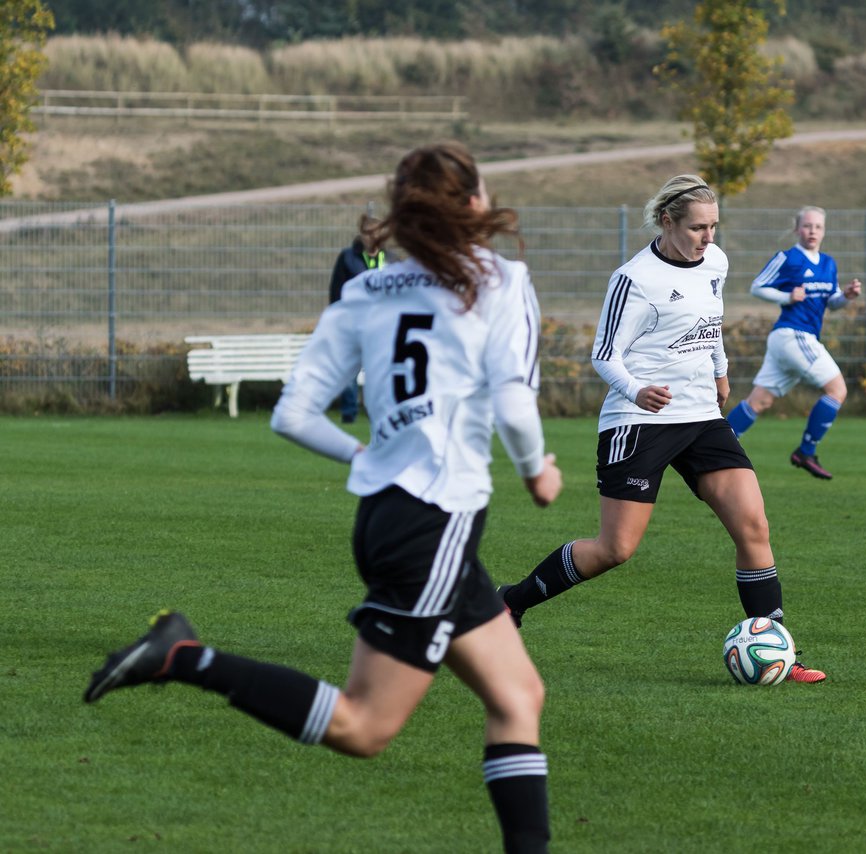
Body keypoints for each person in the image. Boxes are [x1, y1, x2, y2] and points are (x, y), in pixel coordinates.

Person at [85, 143, 564, 854]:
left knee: (518, 696)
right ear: (472, 204)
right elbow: (518, 409)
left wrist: (363, 451)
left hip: (391, 516)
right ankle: (183, 656)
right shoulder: (499, 280)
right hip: (432, 525)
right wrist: (537, 474)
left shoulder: (367, 292)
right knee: (364, 727)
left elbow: (293, 414)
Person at [498, 174, 827, 684]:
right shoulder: (634, 278)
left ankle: (780, 651)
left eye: (714, 226)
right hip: (640, 421)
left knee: (753, 526)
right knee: (615, 550)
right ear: (667, 221)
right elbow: (604, 355)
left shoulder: (715, 262)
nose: (708, 238)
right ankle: (509, 603)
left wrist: (720, 372)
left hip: (700, 417)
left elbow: (710, 324)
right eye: (698, 227)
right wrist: (636, 391)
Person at [725, 206, 861, 479]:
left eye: (818, 227)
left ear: (824, 231)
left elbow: (831, 303)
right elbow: (757, 286)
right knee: (837, 390)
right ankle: (805, 452)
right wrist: (787, 297)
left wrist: (845, 296)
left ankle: (713, 444)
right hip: (793, 334)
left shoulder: (828, 263)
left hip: (791, 340)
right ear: (797, 229)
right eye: (807, 226)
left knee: (759, 402)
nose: (812, 231)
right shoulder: (787, 258)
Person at [328, 234, 392, 423]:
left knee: (381, 370)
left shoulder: (390, 259)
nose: (373, 237)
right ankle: (349, 413)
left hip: (382, 324)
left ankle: (381, 412)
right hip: (353, 322)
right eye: (369, 233)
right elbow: (336, 290)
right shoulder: (348, 258)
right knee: (349, 370)